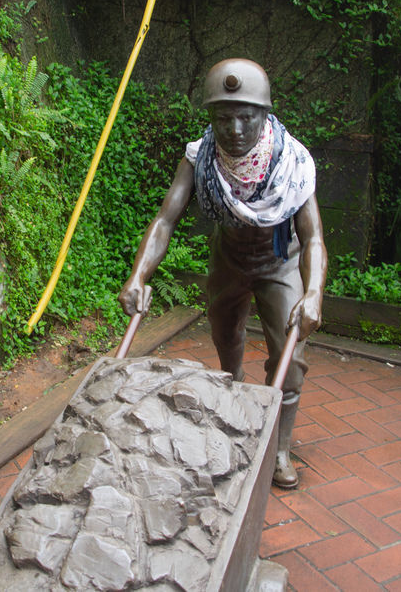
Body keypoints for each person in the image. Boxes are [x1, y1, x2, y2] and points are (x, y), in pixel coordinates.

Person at [118, 58, 327, 489]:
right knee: (226, 342)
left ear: (264, 114)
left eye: (246, 117)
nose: (235, 129)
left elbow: (312, 239)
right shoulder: (200, 159)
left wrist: (314, 293)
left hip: (279, 263)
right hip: (228, 261)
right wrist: (138, 276)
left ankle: (279, 448)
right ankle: (233, 413)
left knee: (290, 361)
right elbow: (165, 221)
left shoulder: (293, 162)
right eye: (223, 118)